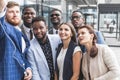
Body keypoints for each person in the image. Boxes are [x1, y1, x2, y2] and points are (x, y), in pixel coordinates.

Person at [0, 0, 32, 80]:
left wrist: (28, 67)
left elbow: (22, 56)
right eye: (11, 12)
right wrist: (1, 9)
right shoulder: (4, 29)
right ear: (5, 14)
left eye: (17, 12)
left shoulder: (20, 32)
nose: (15, 14)